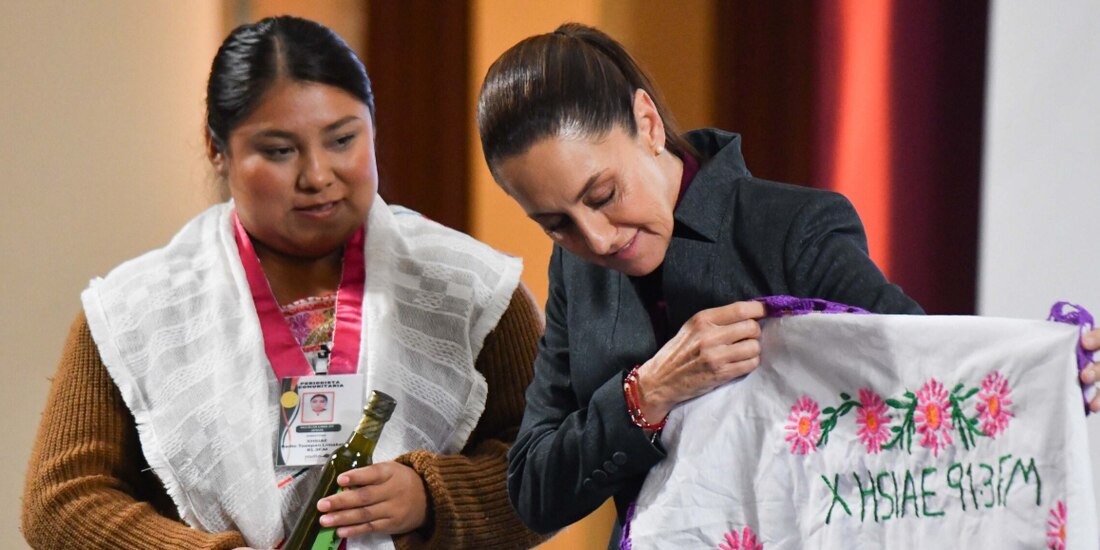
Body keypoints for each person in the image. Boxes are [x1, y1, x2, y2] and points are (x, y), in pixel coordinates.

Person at [475, 23, 1100, 547]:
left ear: (647, 121)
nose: (598, 239)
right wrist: (647, 395)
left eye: (604, 195)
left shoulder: (792, 228)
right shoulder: (575, 272)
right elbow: (533, 490)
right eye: (556, 224)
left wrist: (1044, 376)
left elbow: (922, 383)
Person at [22, 16, 546, 550]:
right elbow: (62, 500)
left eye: (343, 139)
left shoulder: (470, 289)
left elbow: (551, 466)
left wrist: (431, 499)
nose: (317, 175)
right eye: (278, 150)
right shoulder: (138, 312)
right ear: (216, 148)